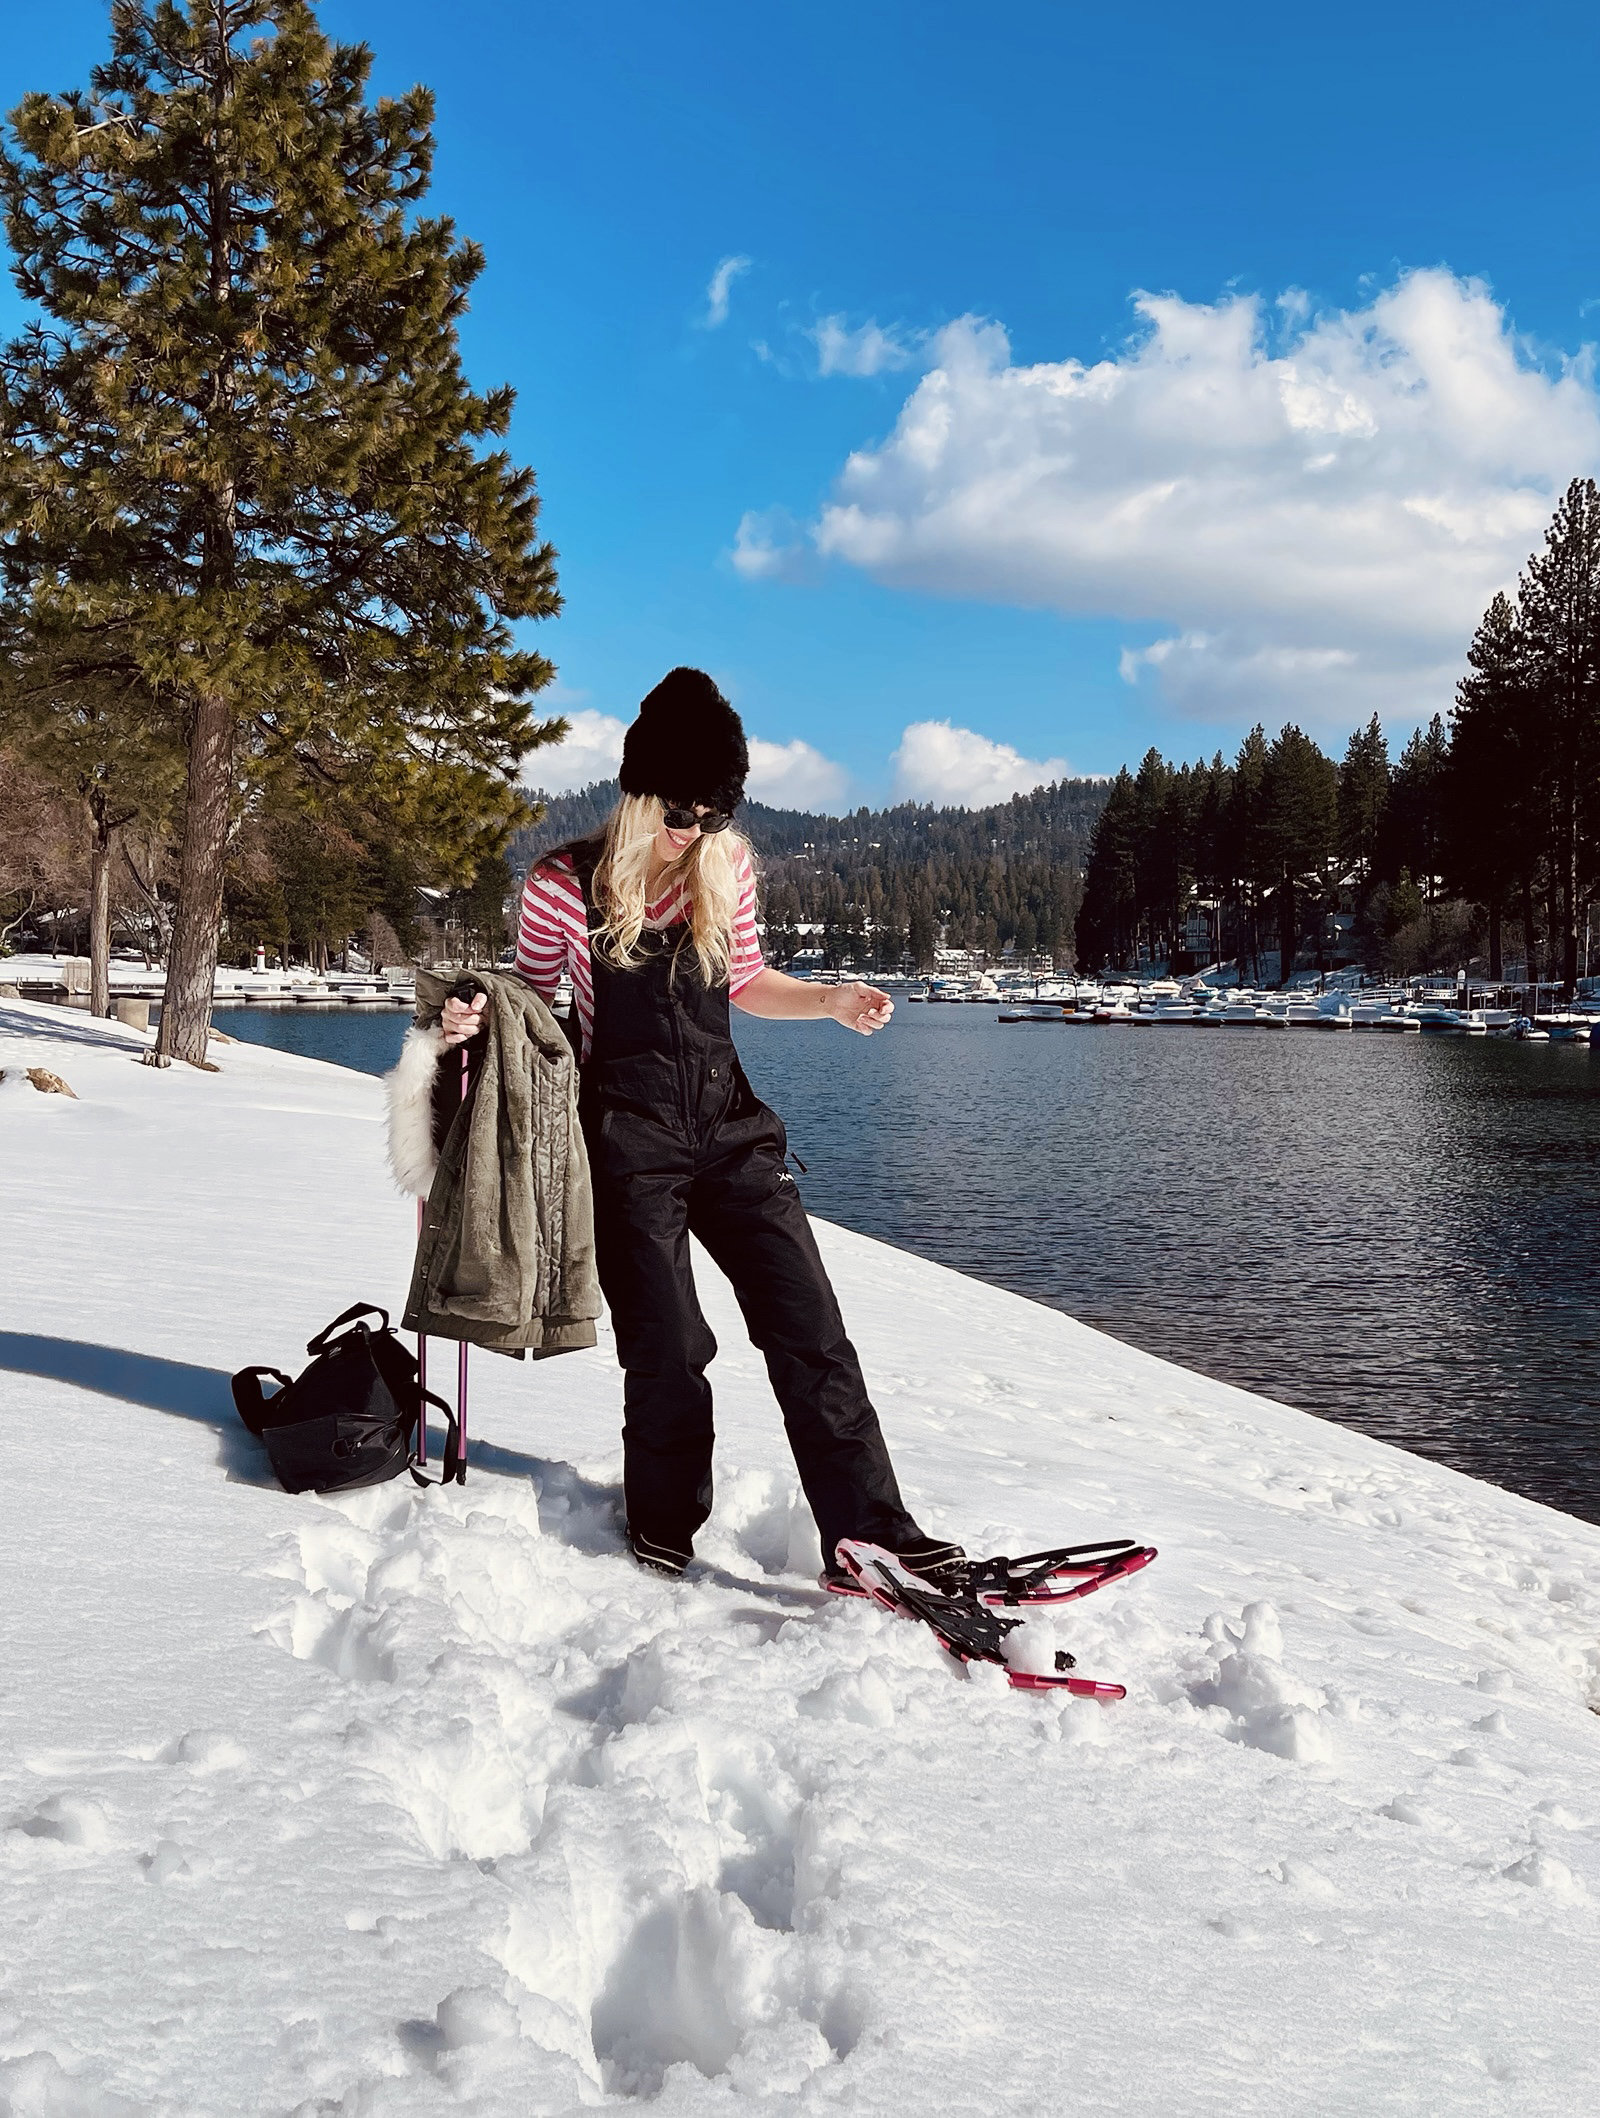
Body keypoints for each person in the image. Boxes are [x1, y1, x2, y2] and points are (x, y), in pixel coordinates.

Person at [441, 666, 963, 1591]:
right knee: (670, 1345)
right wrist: (472, 1022)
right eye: (681, 814)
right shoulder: (564, 884)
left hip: (731, 1130)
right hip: (629, 1144)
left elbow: (750, 981)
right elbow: (532, 1005)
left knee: (811, 1329)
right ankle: (663, 1526)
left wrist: (831, 1001)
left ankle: (868, 1534)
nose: (694, 834)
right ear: (639, 796)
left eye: (714, 816)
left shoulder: (729, 869)